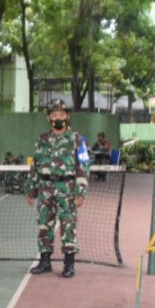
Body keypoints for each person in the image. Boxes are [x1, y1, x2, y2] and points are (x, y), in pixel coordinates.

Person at [26, 99, 90, 278]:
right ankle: (45, 262)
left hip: (67, 190)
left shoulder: (77, 139)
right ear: (49, 118)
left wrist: (81, 192)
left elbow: (83, 166)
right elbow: (35, 166)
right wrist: (31, 189)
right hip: (45, 190)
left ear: (67, 116)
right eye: (54, 114)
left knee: (68, 226)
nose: (58, 118)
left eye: (61, 114)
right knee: (44, 225)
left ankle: (69, 265)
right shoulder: (42, 140)